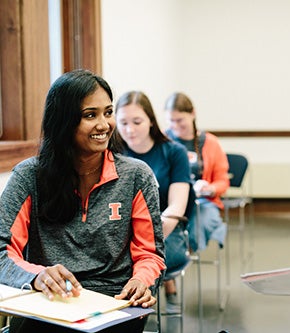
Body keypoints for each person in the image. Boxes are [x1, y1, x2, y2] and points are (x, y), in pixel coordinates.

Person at [0, 70, 166, 333]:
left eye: (108, 112)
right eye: (90, 115)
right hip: (47, 301)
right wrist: (36, 276)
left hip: (115, 304)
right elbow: (2, 252)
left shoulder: (136, 176)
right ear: (63, 121)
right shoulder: (29, 176)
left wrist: (142, 281)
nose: (104, 125)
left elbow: (150, 254)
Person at [115, 90, 192, 314]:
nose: (129, 129)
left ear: (150, 120)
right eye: (123, 122)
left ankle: (135, 314)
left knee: (135, 265)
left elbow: (177, 206)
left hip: (166, 230)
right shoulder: (114, 153)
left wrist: (146, 239)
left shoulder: (174, 152)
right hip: (122, 234)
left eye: (137, 121)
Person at [164, 92, 229, 252]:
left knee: (199, 226)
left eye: (180, 120)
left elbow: (223, 181)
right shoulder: (164, 141)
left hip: (204, 201)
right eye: (171, 121)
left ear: (192, 114)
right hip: (171, 201)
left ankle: (184, 256)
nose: (176, 125)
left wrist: (210, 188)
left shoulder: (211, 143)